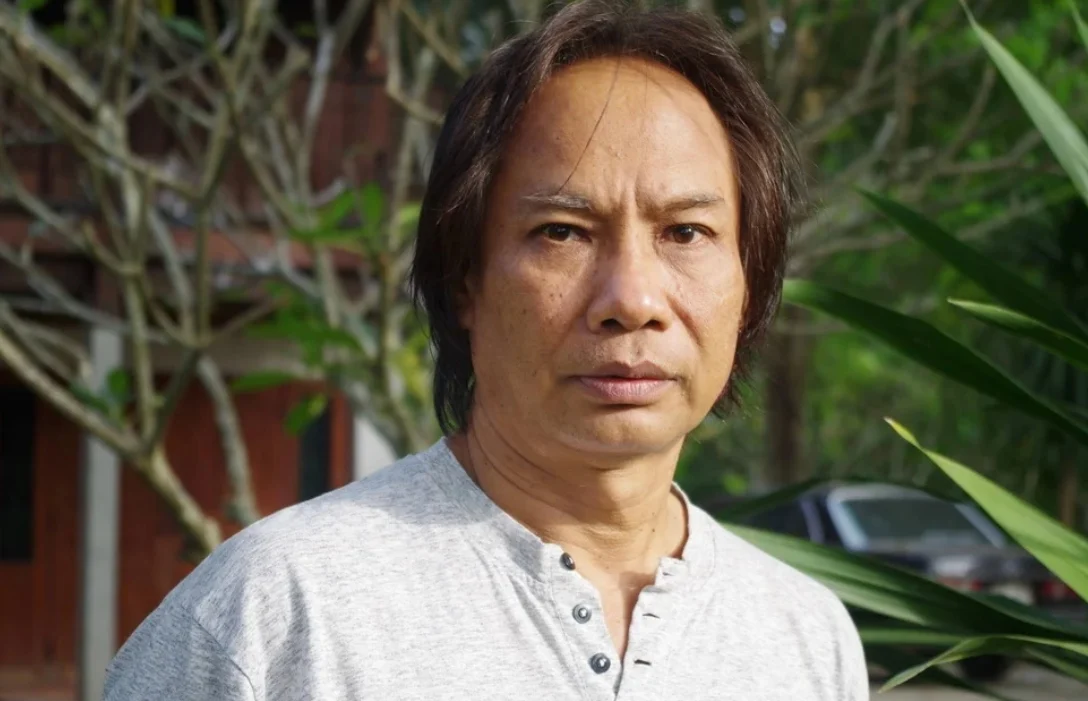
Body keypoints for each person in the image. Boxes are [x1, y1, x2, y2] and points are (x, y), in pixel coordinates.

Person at [103, 1, 868, 699]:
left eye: (686, 232)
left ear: (749, 279)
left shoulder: (805, 637)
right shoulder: (273, 617)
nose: (632, 299)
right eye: (562, 232)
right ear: (464, 277)